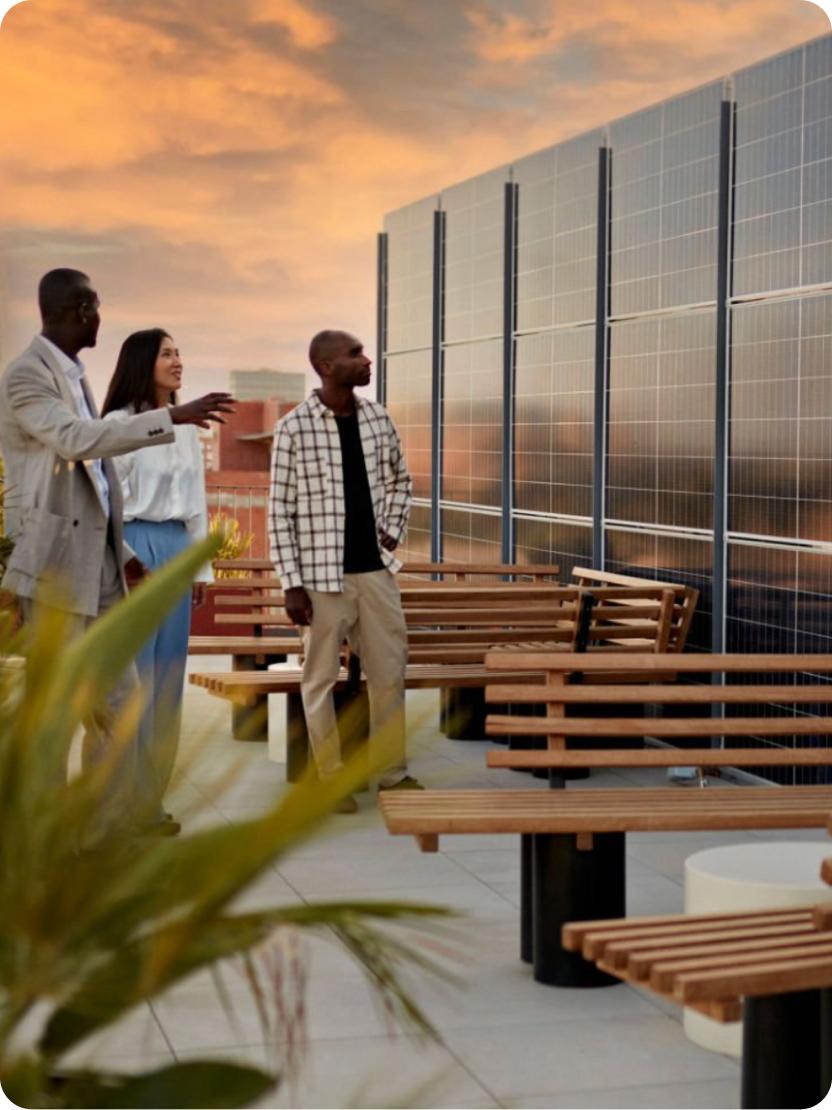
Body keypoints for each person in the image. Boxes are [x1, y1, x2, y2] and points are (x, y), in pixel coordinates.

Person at [0, 268, 234, 843]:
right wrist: (172, 417)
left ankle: (106, 828)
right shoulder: (27, 376)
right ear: (79, 310)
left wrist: (120, 549)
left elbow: (99, 483)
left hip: (104, 560)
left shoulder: (73, 375)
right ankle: (46, 835)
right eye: (96, 306)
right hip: (55, 566)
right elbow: (77, 442)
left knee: (123, 698)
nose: (102, 316)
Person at [268, 329, 421, 813]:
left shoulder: (378, 418)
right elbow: (279, 512)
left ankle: (392, 775)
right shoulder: (294, 428)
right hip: (319, 578)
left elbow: (401, 478)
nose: (366, 359)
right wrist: (291, 583)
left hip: (375, 573)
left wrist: (391, 528)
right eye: (355, 354)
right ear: (326, 366)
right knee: (318, 681)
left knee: (389, 673)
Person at [101, 328, 213, 834]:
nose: (177, 360)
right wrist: (125, 556)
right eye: (167, 353)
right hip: (133, 554)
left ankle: (152, 804)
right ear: (142, 361)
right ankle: (120, 806)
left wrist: (200, 565)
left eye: (179, 351)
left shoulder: (187, 429)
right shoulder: (118, 425)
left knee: (168, 681)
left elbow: (197, 505)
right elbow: (104, 504)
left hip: (174, 552)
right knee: (134, 683)